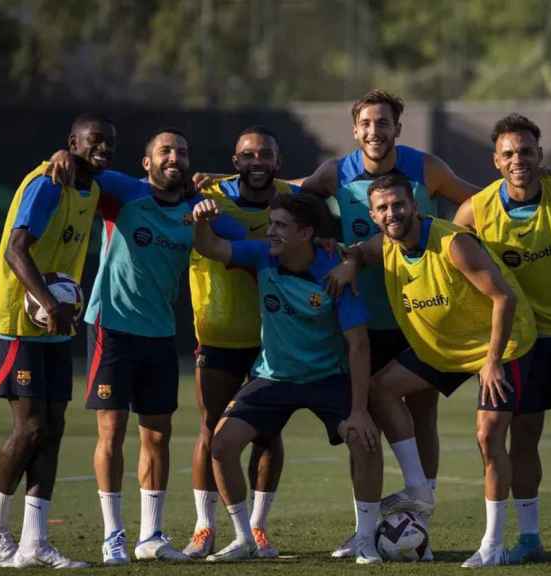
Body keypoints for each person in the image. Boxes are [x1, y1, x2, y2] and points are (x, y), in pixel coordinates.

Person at [299, 89, 478, 558]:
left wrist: (448, 245)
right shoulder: (335, 173)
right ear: (355, 129)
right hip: (362, 318)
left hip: (422, 315)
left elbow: (480, 205)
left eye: (384, 123)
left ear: (398, 128)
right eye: (367, 124)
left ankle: (418, 524)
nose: (375, 131)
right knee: (364, 425)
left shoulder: (427, 169)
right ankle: (366, 530)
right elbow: (294, 197)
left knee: (423, 419)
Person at [330, 172, 538, 567]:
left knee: (488, 437)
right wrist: (350, 262)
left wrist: (491, 362)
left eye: (398, 204)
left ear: (415, 205)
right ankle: (419, 489)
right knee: (378, 389)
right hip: (443, 349)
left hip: (500, 344)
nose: (392, 213)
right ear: (373, 215)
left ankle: (492, 544)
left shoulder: (452, 243)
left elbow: (503, 298)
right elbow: (356, 251)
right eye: (383, 208)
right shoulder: (384, 245)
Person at [57, 128, 242, 565]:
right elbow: (82, 168)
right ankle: (113, 536)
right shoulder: (126, 192)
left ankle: (151, 537)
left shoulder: (196, 209)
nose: (173, 156)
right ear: (147, 162)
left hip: (160, 334)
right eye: (164, 150)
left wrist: (215, 209)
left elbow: (247, 238)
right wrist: (61, 154)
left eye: (181, 150)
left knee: (158, 435)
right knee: (112, 433)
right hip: (112, 328)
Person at [190, 192, 384, 564]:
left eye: (280, 226)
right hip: (273, 377)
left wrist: (359, 410)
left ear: (306, 232)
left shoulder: (336, 271)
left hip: (327, 378)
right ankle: (244, 538)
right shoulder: (263, 255)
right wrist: (200, 219)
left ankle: (365, 539)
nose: (271, 232)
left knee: (364, 440)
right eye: (271, 224)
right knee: (221, 445)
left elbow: (358, 345)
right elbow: (212, 246)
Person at [452, 113, 551, 566]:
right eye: (509, 153)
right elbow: (454, 270)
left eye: (527, 152)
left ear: (540, 155)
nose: (519, 160)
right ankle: (530, 536)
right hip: (521, 342)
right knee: (524, 437)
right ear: (496, 160)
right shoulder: (475, 211)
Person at [0, 114, 114, 569]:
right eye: (93, 142)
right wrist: (47, 303)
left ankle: (36, 543)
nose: (103, 150)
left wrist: (59, 308)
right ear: (72, 142)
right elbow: (16, 249)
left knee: (52, 429)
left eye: (108, 144)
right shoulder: (48, 182)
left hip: (55, 321)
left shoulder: (91, 188)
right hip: (17, 319)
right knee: (30, 426)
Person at [182, 126, 296, 559]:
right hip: (219, 333)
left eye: (265, 154)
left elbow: (320, 187)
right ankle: (203, 527)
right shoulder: (208, 196)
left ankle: (258, 527)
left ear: (277, 162)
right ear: (236, 161)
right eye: (248, 155)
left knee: (269, 433)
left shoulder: (292, 199)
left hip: (274, 339)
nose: (257, 162)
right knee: (213, 429)